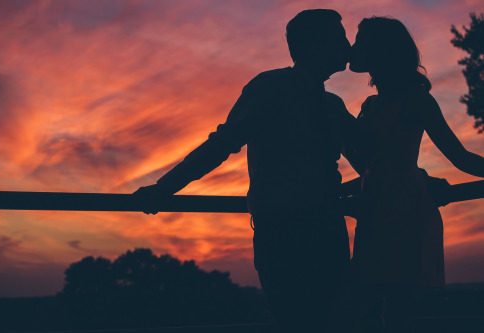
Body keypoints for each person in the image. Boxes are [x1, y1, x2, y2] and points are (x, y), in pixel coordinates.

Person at [133, 9, 359, 332]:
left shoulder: (334, 107)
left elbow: (377, 163)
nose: (347, 46)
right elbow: (221, 144)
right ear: (315, 44)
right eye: (340, 38)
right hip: (284, 235)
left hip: (329, 233)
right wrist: (164, 188)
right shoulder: (271, 88)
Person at [346, 16, 484, 333]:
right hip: (372, 210)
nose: (353, 49)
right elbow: (372, 166)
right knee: (364, 308)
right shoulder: (368, 106)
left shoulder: (416, 100)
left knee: (394, 311)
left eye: (360, 41)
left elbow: (459, 156)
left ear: (381, 50)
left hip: (403, 211)